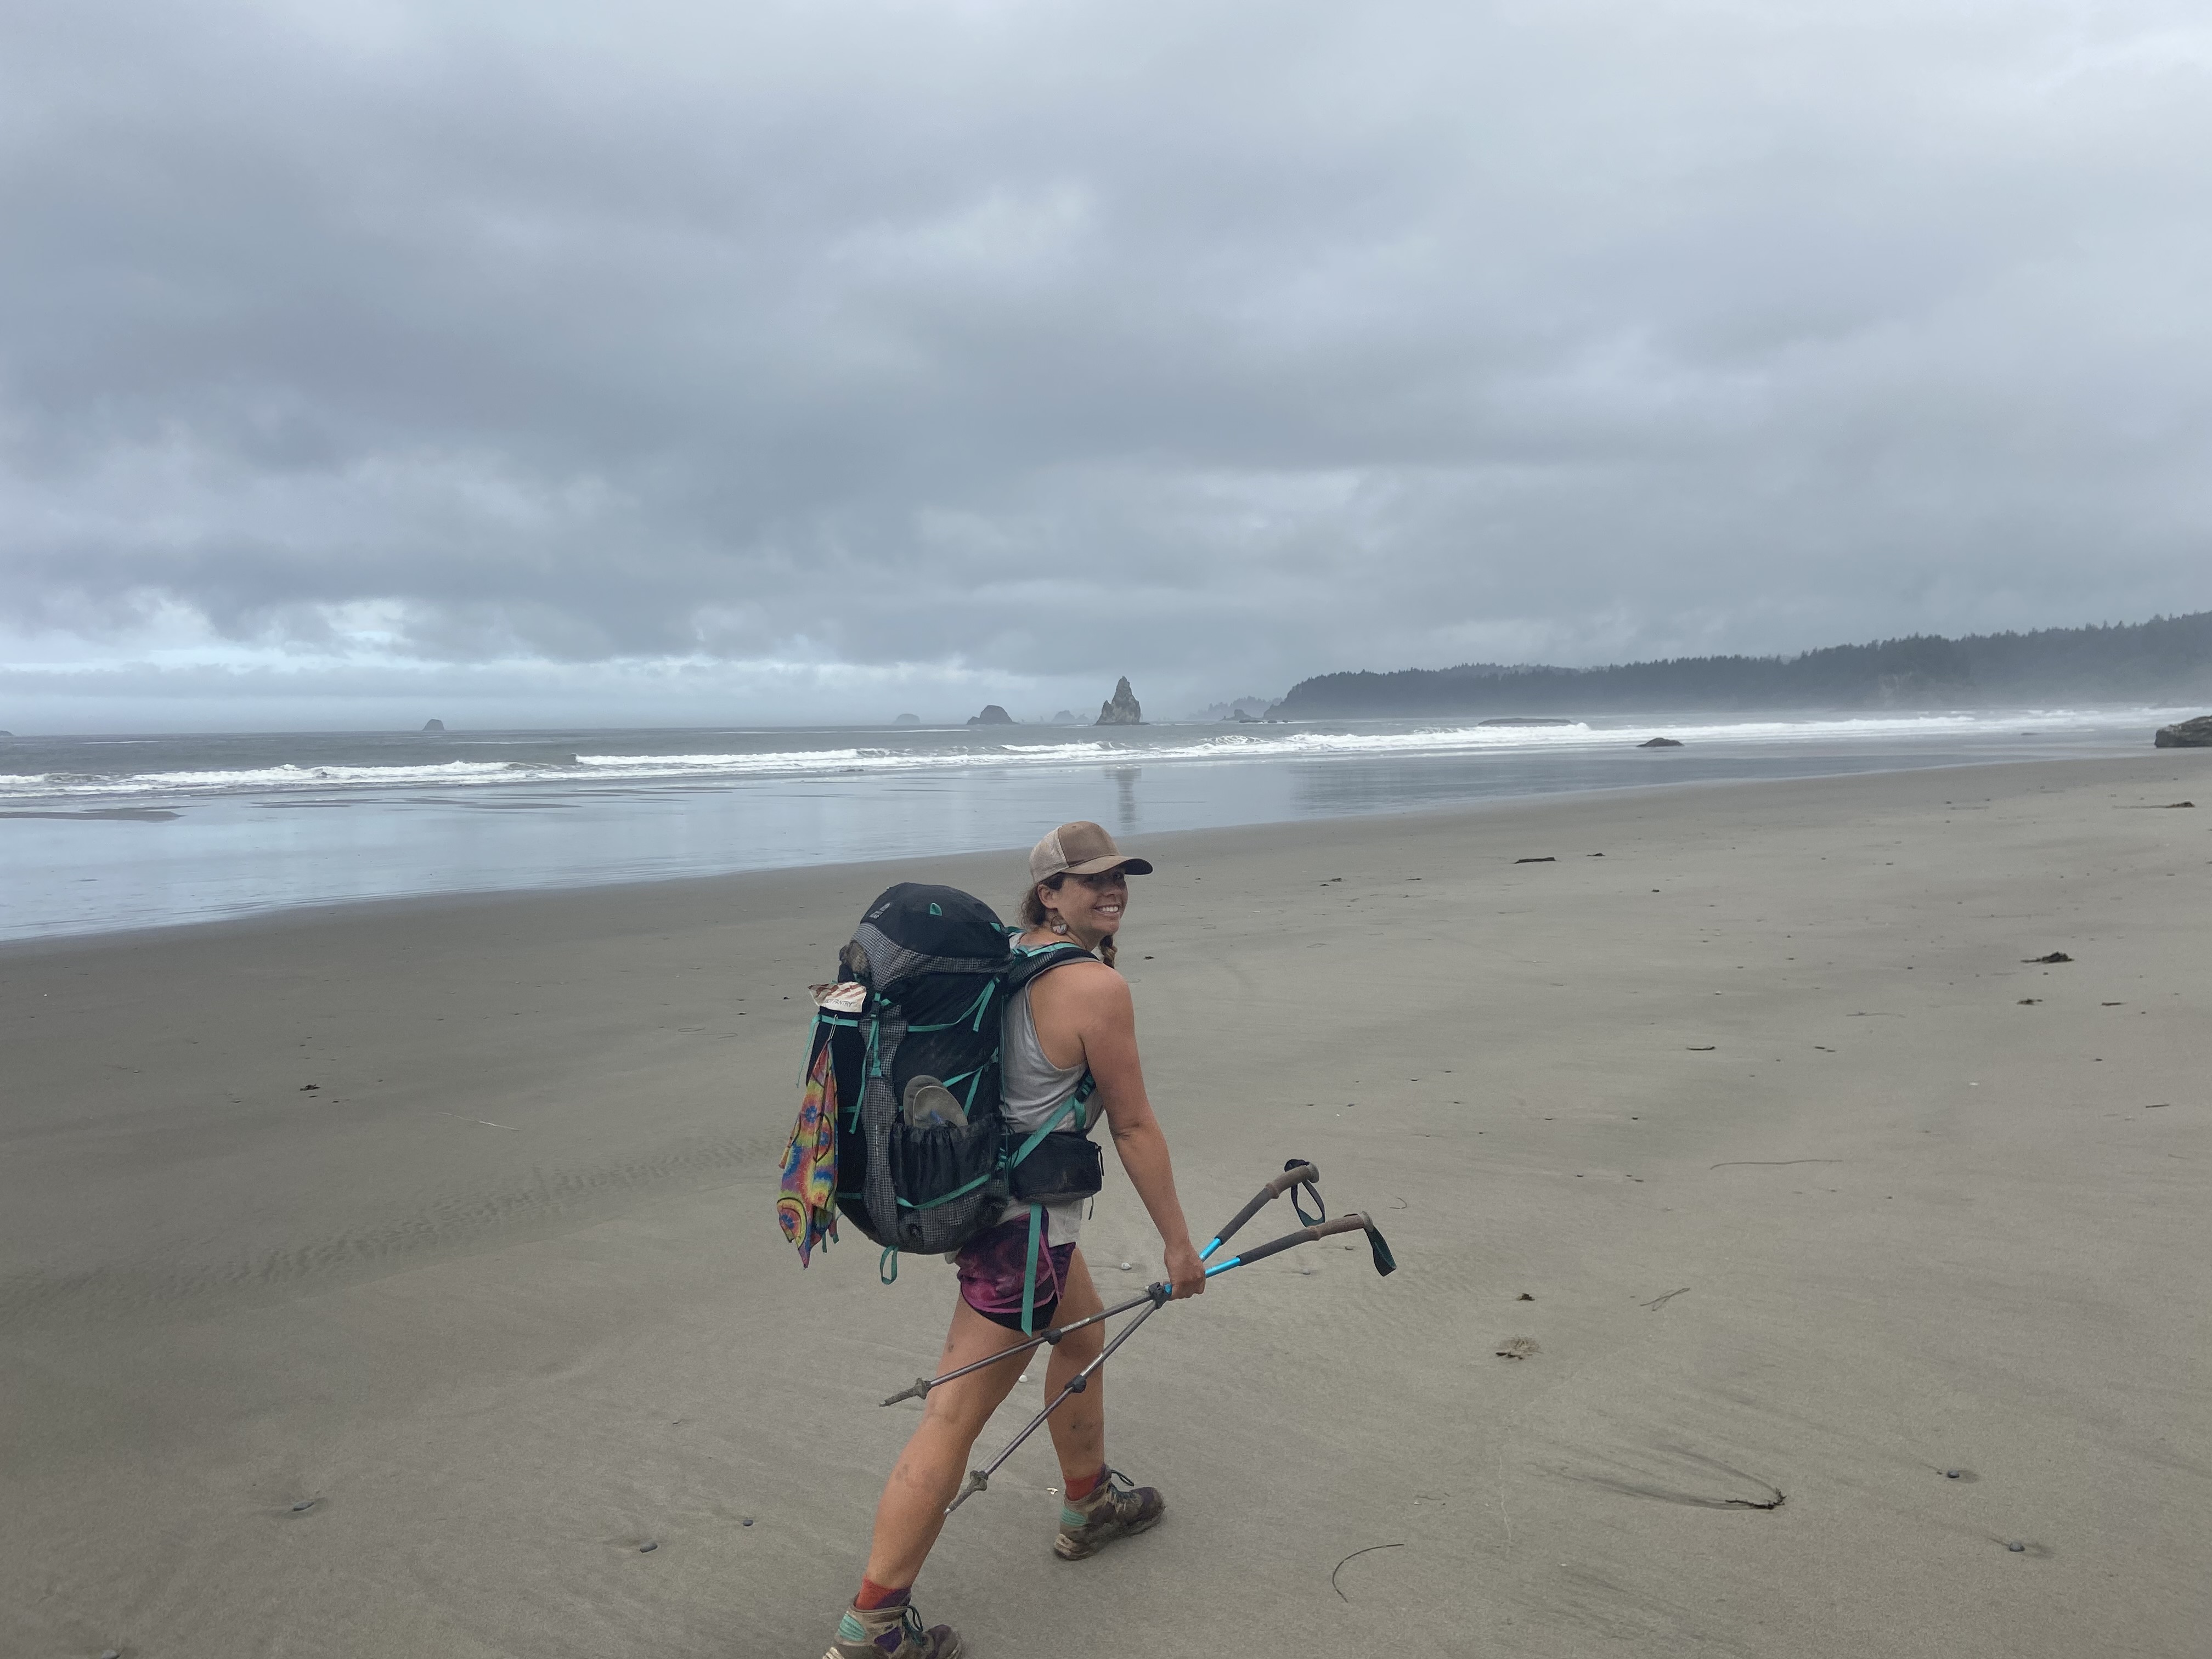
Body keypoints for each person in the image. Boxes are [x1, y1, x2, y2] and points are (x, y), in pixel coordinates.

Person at [827, 822, 1206, 1659]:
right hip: (1022, 1231)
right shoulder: (1095, 989)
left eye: (1120, 876)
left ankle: (1087, 1503)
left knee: (1083, 1335)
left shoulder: (1005, 957)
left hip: (982, 1201)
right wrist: (1180, 1246)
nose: (1113, 890)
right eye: (1091, 879)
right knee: (952, 1416)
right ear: (1049, 893)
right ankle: (872, 1630)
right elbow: (1133, 1126)